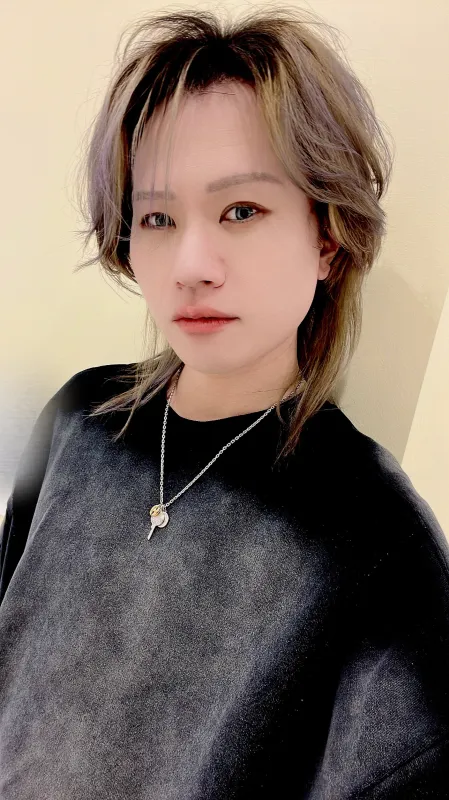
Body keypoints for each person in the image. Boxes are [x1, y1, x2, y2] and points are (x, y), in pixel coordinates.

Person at [1, 6, 449, 798]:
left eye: (241, 210)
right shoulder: (79, 421)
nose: (191, 264)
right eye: (157, 217)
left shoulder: (376, 540)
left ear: (326, 234)